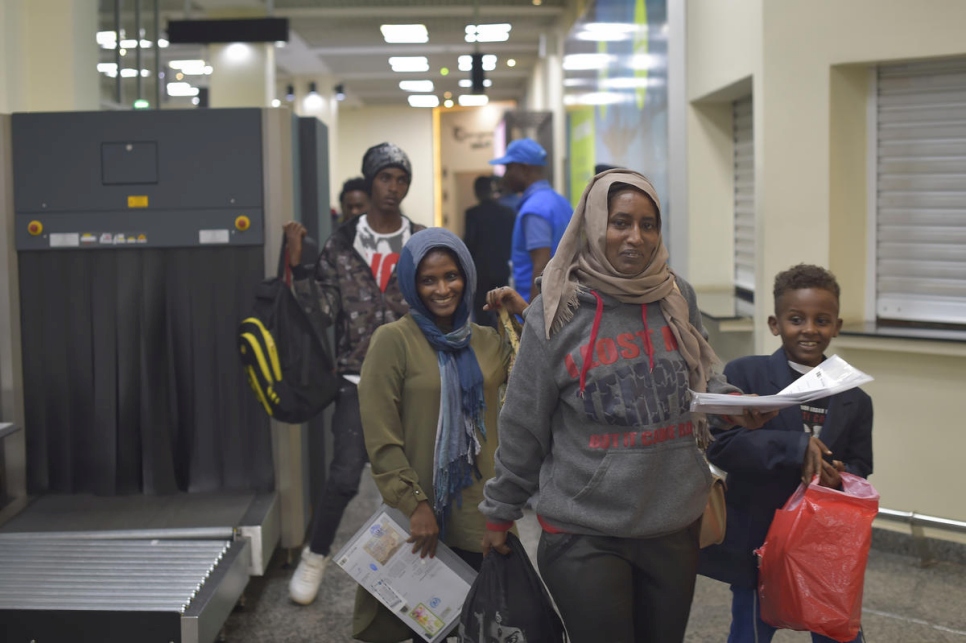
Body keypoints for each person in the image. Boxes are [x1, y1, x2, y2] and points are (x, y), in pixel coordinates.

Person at [479, 168, 773, 643]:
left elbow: (701, 377)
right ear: (595, 225)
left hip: (672, 522)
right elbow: (523, 422)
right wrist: (500, 512)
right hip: (585, 529)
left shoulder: (676, 295)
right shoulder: (557, 309)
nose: (636, 237)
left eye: (648, 224)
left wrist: (734, 405)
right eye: (620, 223)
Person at [352, 228, 513, 641]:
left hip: (481, 514)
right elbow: (381, 436)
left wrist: (520, 310)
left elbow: (542, 374)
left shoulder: (489, 340)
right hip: (423, 515)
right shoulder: (393, 341)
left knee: (483, 625)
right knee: (428, 624)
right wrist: (415, 503)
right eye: (429, 279)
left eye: (452, 276)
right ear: (412, 283)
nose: (443, 289)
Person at [699, 264, 874, 643]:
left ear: (837, 326)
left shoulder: (855, 398)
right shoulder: (747, 376)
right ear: (775, 324)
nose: (810, 329)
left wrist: (840, 474)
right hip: (756, 540)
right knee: (750, 632)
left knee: (838, 633)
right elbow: (722, 445)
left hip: (822, 546)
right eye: (796, 319)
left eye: (822, 320)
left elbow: (861, 466)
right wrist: (795, 449)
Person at [283, 142, 424, 606]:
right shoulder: (342, 243)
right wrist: (296, 265)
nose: (394, 187)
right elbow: (322, 312)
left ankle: (425, 572)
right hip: (356, 379)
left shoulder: (421, 241)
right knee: (344, 476)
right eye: (386, 178)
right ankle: (315, 557)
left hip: (413, 380)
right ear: (369, 182)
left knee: (418, 479)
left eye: (401, 179)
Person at [489, 138, 573, 303]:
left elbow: (541, 267)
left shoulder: (534, 209)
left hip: (541, 308)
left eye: (508, 168)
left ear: (524, 169)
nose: (505, 176)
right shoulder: (560, 202)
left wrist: (532, 320)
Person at [463, 175, 517, 327]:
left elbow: (469, 244)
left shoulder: (472, 214)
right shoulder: (507, 213)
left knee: (482, 315)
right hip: (501, 269)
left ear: (477, 192)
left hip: (480, 273)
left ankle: (486, 345)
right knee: (503, 313)